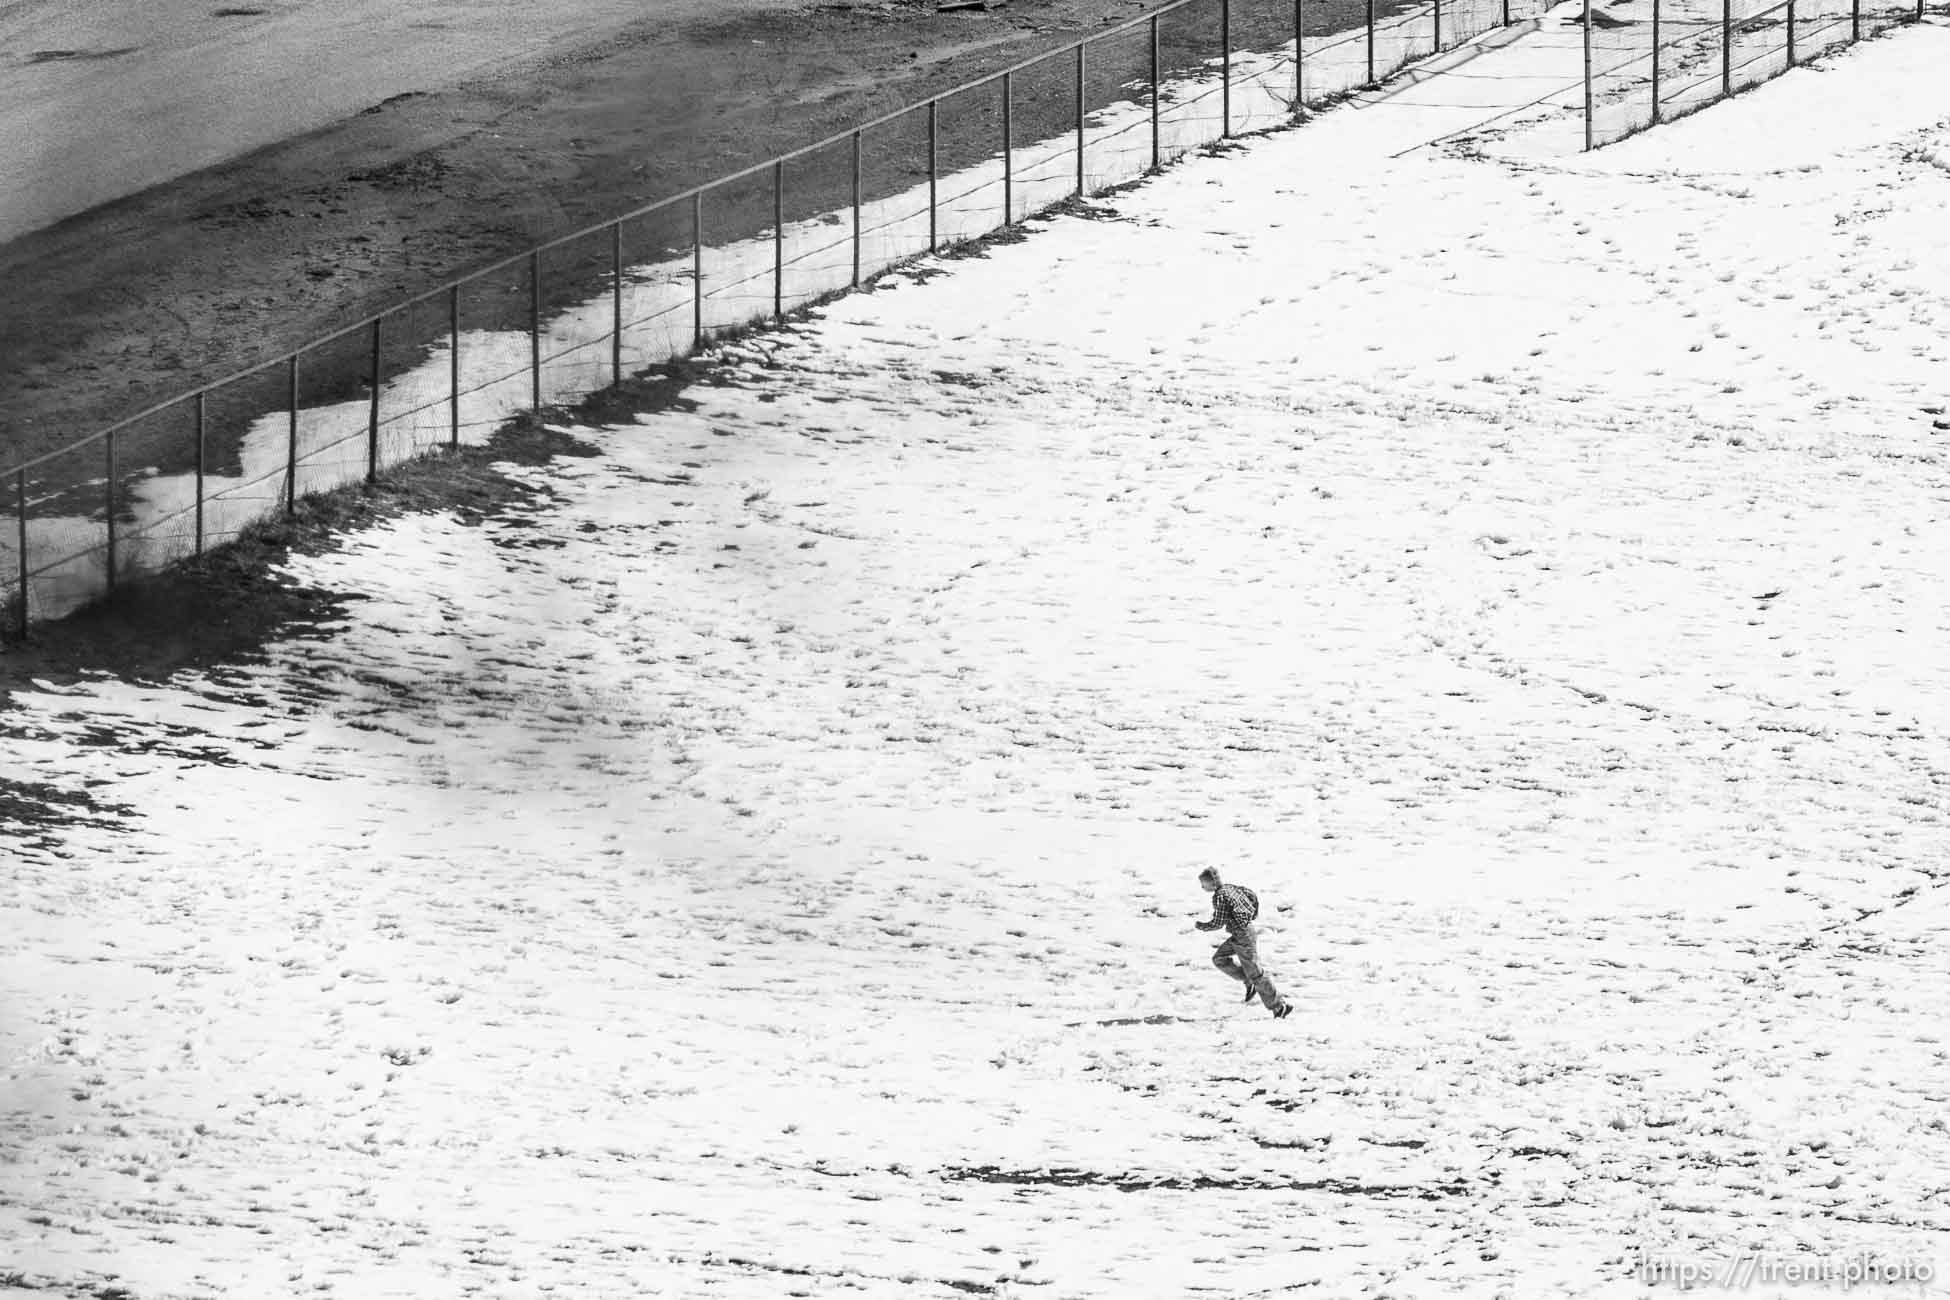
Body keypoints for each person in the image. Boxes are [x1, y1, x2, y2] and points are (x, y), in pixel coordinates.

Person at [1195, 867, 1292, 1019]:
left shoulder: (1220, 896)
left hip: (1242, 936)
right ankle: (1247, 981)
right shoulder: (1232, 888)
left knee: (1256, 974)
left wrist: (1203, 926)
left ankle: (1279, 1006)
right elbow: (1252, 897)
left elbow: (1218, 922)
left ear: (1212, 885)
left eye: (1203, 885)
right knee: (1219, 959)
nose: (1202, 887)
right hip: (1243, 932)